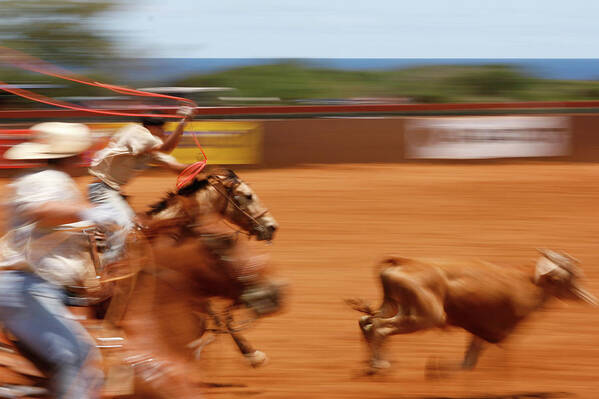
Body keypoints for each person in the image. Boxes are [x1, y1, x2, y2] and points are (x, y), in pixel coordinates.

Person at [0, 122, 119, 399]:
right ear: (73, 156)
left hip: (31, 287)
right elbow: (41, 210)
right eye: (84, 156)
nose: (85, 162)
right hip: (25, 288)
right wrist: (89, 212)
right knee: (74, 355)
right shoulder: (46, 179)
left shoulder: (47, 179)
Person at [87, 106, 195, 262]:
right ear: (153, 128)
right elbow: (166, 149)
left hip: (109, 190)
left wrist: (199, 166)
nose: (164, 134)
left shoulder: (150, 145)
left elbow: (176, 168)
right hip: (102, 189)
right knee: (126, 230)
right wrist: (183, 122)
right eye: (163, 130)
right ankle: (109, 269)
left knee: (133, 228)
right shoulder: (137, 132)